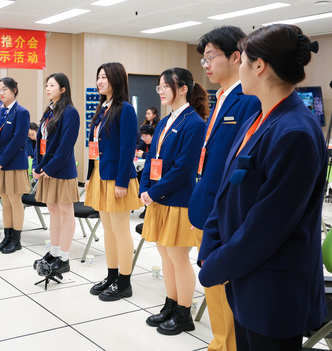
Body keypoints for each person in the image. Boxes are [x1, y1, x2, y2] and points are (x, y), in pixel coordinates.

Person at [199, 24, 326, 351]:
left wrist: (217, 264)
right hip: (245, 277)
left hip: (273, 290)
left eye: (243, 60)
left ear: (259, 66)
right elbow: (227, 191)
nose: (239, 66)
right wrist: (210, 245)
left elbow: (267, 227)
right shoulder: (256, 119)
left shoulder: (295, 132)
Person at [188, 26, 260, 351]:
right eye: (203, 59)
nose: (206, 64)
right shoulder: (218, 98)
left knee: (225, 293)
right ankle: (219, 343)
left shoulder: (248, 100)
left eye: (211, 56)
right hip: (207, 206)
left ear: (235, 57)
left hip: (226, 213)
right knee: (213, 291)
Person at [139, 68, 208, 335]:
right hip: (158, 198)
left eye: (166, 86)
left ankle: (184, 313)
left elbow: (184, 169)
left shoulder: (194, 123)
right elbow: (151, 159)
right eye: (159, 86)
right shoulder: (165, 121)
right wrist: (145, 187)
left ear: (183, 89)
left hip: (178, 200)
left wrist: (154, 192)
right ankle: (170, 304)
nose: (161, 91)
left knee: (178, 258)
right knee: (165, 255)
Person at [85, 62, 142, 301]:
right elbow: (94, 146)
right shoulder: (102, 108)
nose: (100, 81)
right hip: (100, 174)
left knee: (121, 230)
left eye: (104, 77)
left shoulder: (125, 109)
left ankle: (124, 282)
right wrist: (90, 176)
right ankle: (111, 275)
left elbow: (128, 148)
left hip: (117, 177)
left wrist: (121, 182)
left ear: (116, 80)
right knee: (108, 229)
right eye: (98, 77)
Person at [32, 73, 80, 275]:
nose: (48, 88)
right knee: (52, 209)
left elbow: (65, 146)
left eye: (52, 85)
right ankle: (54, 251)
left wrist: (49, 168)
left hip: (61, 170)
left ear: (63, 89)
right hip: (46, 169)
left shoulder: (70, 112)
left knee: (65, 211)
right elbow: (40, 142)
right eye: (47, 85)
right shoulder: (50, 111)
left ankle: (64, 257)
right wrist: (37, 166)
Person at [0, 77, 31, 253]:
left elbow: (18, 140)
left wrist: (1, 161)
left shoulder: (22, 112)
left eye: (4, 89)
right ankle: (7, 237)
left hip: (13, 164)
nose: (1, 93)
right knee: (4, 201)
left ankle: (16, 240)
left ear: (14, 90)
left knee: (14, 200)